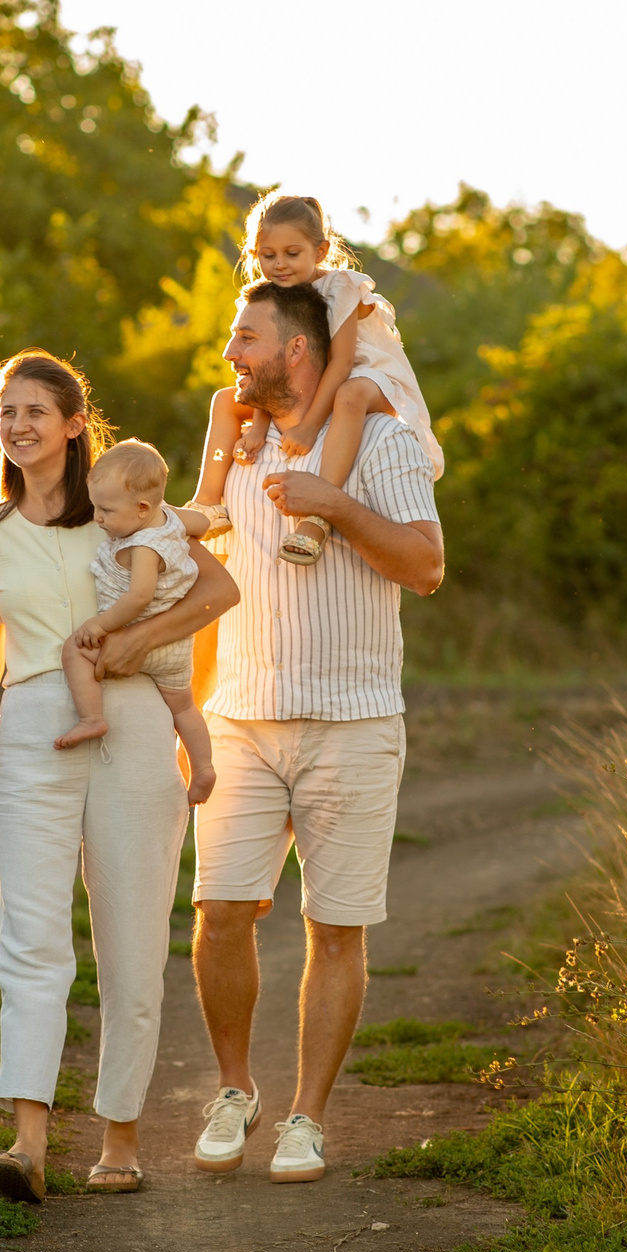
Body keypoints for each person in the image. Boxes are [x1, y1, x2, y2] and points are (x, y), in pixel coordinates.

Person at [0, 352, 239, 1203]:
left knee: (133, 935)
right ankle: (26, 1139)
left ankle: (121, 1134)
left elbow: (218, 589)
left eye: (36, 410)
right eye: (5, 410)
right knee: (30, 937)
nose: (18, 424)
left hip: (133, 722)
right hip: (31, 725)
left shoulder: (126, 509)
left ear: (73, 422)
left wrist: (139, 643)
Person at [188, 280, 444, 1185]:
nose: (231, 355)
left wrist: (332, 505)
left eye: (244, 338)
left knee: (334, 927)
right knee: (220, 913)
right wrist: (192, 712)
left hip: (355, 718)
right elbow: (206, 573)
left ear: (298, 349)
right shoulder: (237, 443)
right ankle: (233, 1090)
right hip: (242, 719)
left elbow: (426, 563)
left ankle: (306, 1116)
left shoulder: (380, 438)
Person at [186, 192, 442, 566]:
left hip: (367, 373)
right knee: (227, 399)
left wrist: (309, 428)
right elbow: (269, 373)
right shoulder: (269, 294)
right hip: (315, 377)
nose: (279, 265)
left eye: (292, 254)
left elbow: (340, 365)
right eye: (267, 255)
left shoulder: (341, 288)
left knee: (350, 396)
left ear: (320, 252)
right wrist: (258, 425)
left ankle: (318, 514)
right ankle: (208, 505)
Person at [53, 439, 218, 804]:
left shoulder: (143, 545)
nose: (98, 518)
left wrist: (100, 626)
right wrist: (206, 521)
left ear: (142, 508)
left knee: (73, 651)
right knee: (184, 707)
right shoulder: (169, 519)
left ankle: (91, 717)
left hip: (139, 638)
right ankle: (203, 766)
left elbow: (140, 596)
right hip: (176, 647)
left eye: (106, 511)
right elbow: (202, 522)